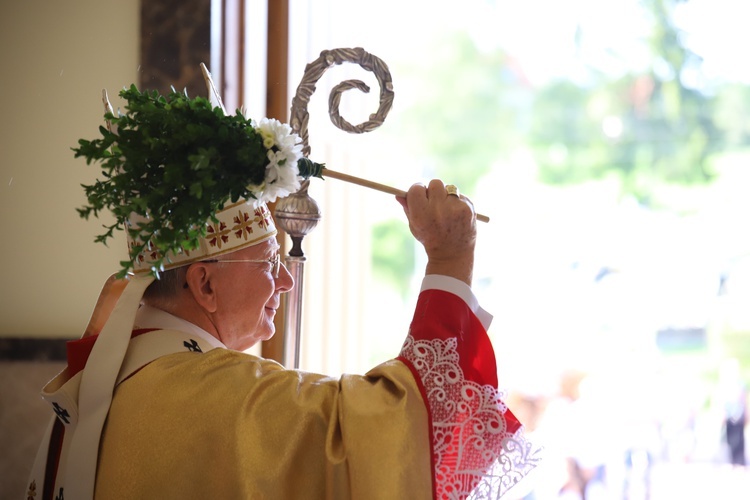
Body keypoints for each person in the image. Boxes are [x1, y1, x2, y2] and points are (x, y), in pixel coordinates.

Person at [25, 75, 538, 500]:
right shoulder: (211, 394)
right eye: (270, 263)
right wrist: (450, 258)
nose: (287, 280)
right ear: (204, 283)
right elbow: (398, 439)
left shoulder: (114, 376)